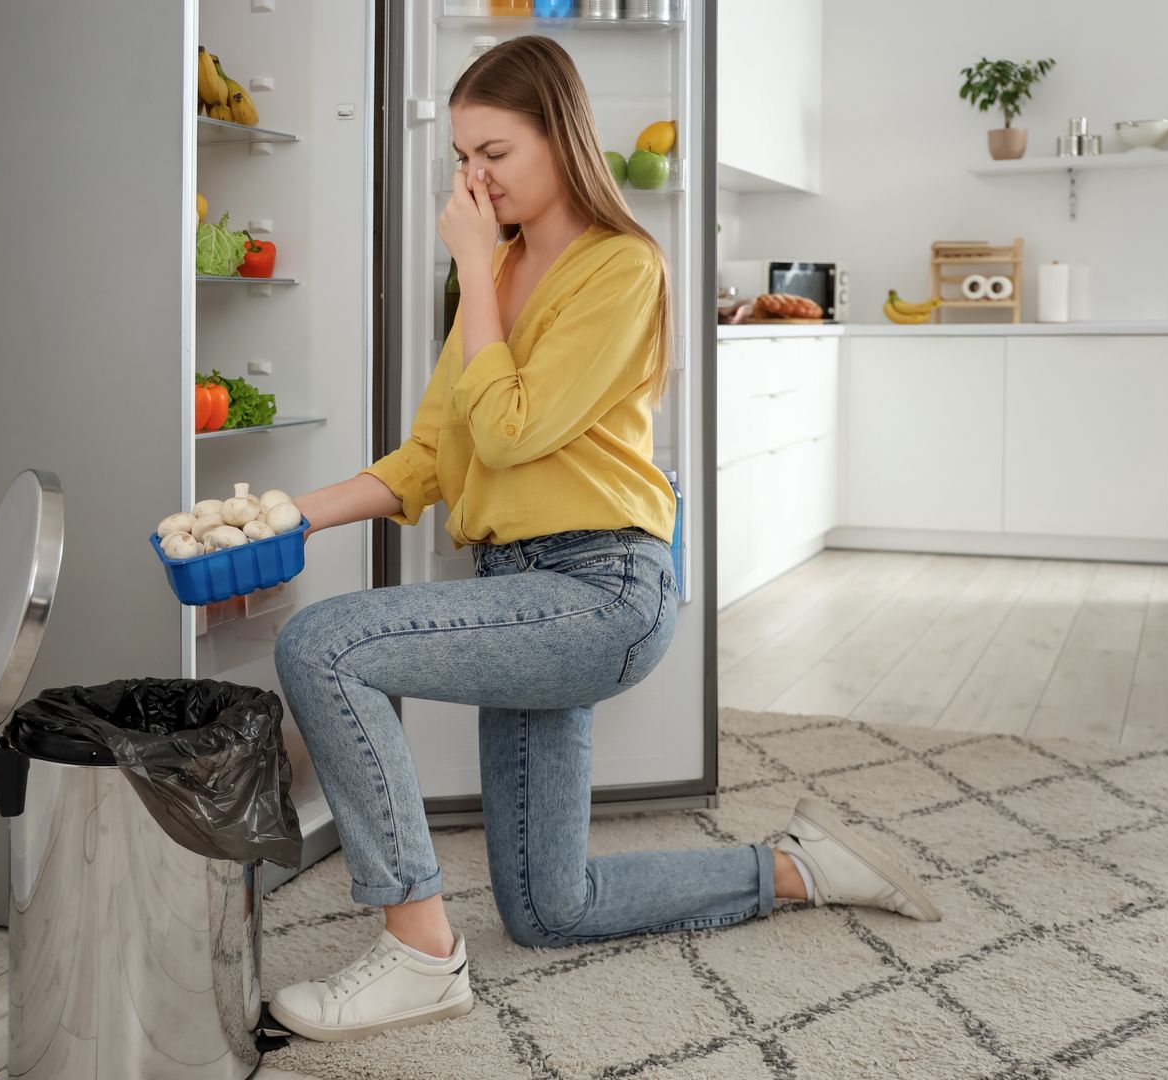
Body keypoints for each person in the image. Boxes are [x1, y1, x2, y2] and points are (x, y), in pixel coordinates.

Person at [268, 35, 939, 1045]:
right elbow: (436, 456)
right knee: (550, 909)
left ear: (558, 136)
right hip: (517, 588)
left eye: (494, 151)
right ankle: (797, 868)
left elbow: (511, 427)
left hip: (599, 590)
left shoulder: (623, 269)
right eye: (463, 157)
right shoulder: (492, 274)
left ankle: (418, 953)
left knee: (323, 644)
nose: (474, 177)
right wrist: (289, 513)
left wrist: (470, 273)